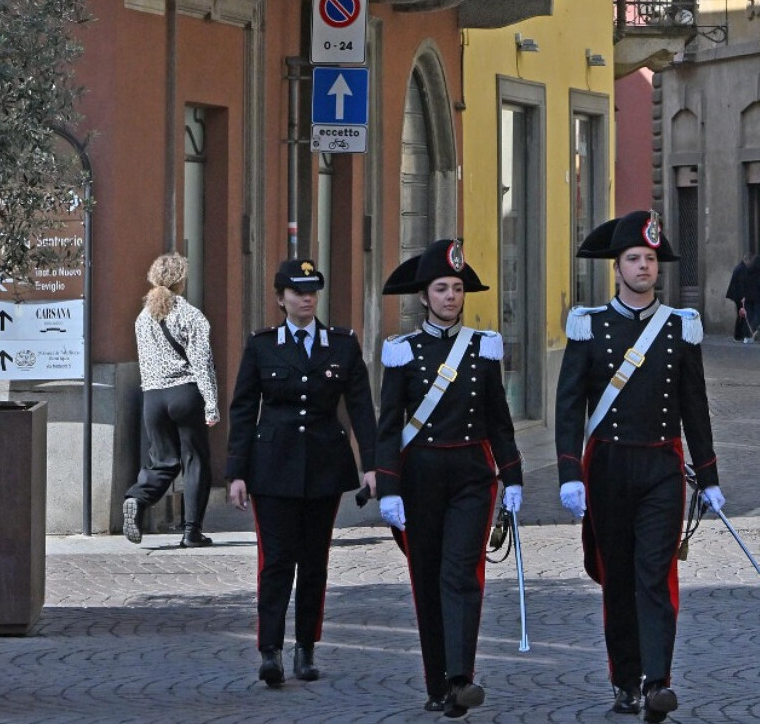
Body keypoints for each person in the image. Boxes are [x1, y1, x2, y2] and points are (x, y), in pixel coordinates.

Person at [555, 210, 725, 724]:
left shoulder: (679, 328)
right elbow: (568, 406)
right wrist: (569, 474)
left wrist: (710, 475)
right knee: (620, 577)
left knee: (655, 574)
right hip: (607, 465)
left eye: (650, 258)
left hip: (661, 467)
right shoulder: (589, 326)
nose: (643, 266)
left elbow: (695, 406)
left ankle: (658, 683)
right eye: (634, 258)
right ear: (617, 267)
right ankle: (625, 680)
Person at [374, 239, 523, 718]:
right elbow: (388, 426)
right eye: (441, 288)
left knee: (460, 574)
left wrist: (513, 476)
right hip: (419, 479)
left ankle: (461, 677)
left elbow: (499, 421)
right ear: (424, 296)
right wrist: (389, 487)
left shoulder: (483, 349)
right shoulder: (402, 352)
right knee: (426, 578)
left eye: (457, 288)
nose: (450, 297)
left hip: (471, 479)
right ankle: (436, 681)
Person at [224, 258, 376, 688]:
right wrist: (236, 473)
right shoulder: (261, 346)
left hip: (325, 468)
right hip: (271, 468)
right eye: (297, 292)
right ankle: (269, 649)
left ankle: (305, 647)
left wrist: (373, 466)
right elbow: (242, 409)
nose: (306, 299)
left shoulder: (341, 344)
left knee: (314, 563)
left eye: (311, 292)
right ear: (280, 299)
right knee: (276, 562)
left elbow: (362, 408)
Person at [123, 252, 219, 548]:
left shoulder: (142, 319)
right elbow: (202, 362)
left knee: (163, 460)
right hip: (185, 394)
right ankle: (191, 532)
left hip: (153, 398)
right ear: (181, 281)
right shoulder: (191, 315)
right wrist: (211, 403)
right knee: (195, 460)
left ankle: (138, 499)